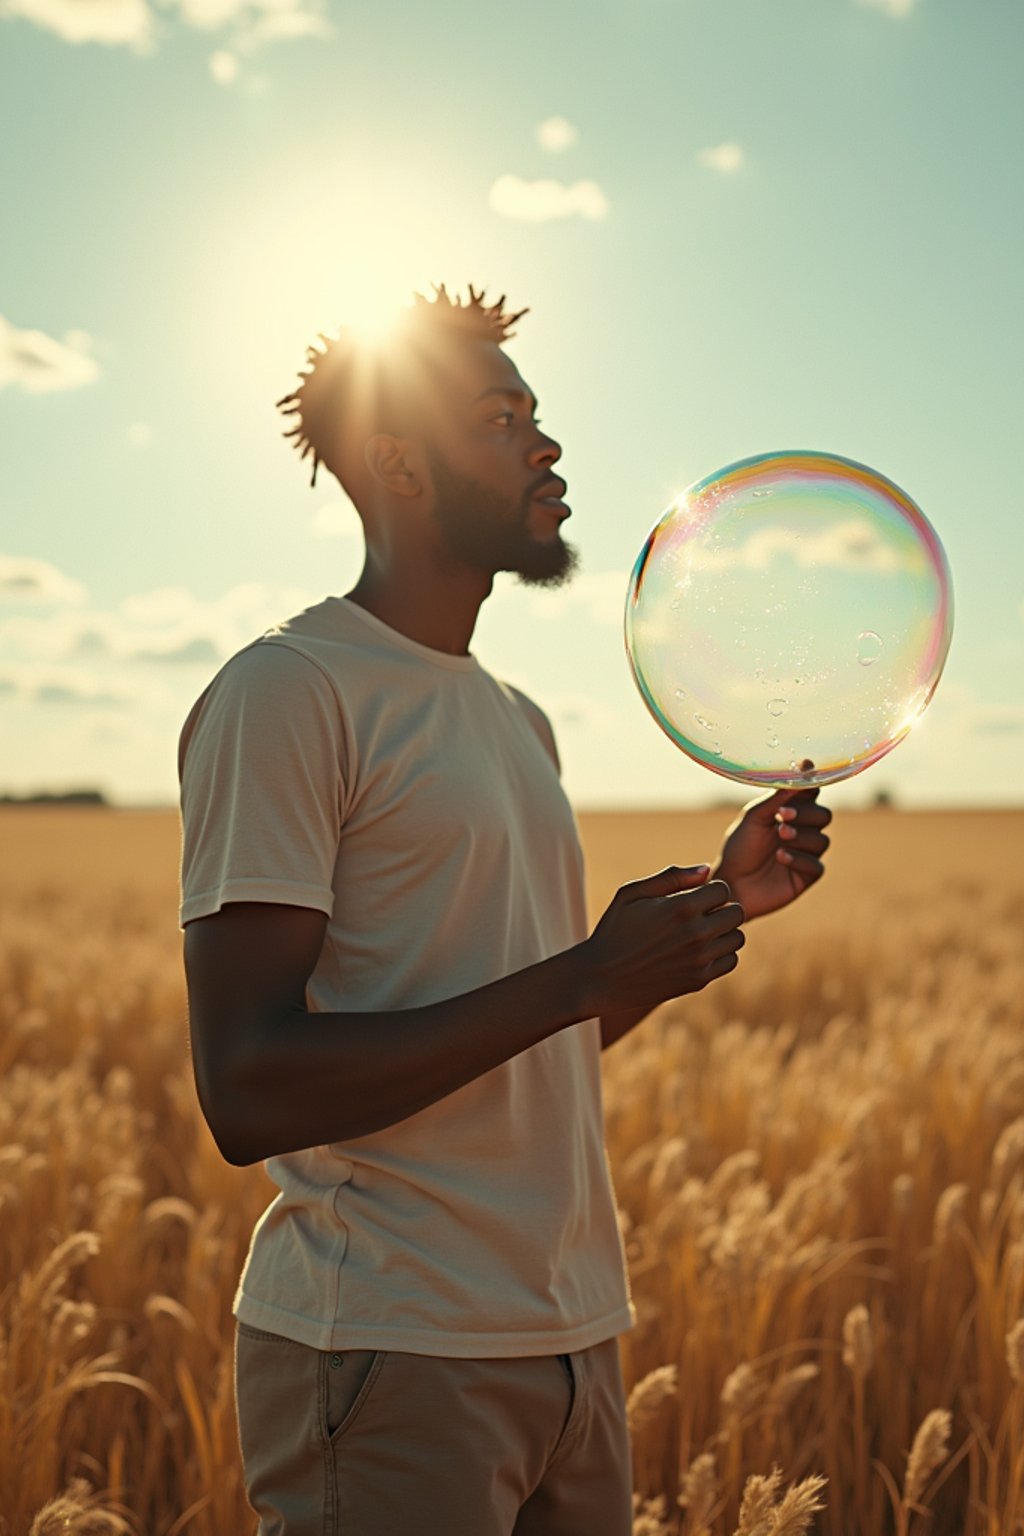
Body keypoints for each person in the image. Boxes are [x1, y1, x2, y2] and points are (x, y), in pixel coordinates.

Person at [177, 285, 832, 1536]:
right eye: (501, 417)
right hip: (394, 1351)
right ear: (398, 463)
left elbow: (523, 1043)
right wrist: (586, 975)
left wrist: (698, 921)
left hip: (572, 1343)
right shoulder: (290, 691)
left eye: (539, 413)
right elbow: (248, 1089)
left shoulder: (515, 720)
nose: (548, 445)